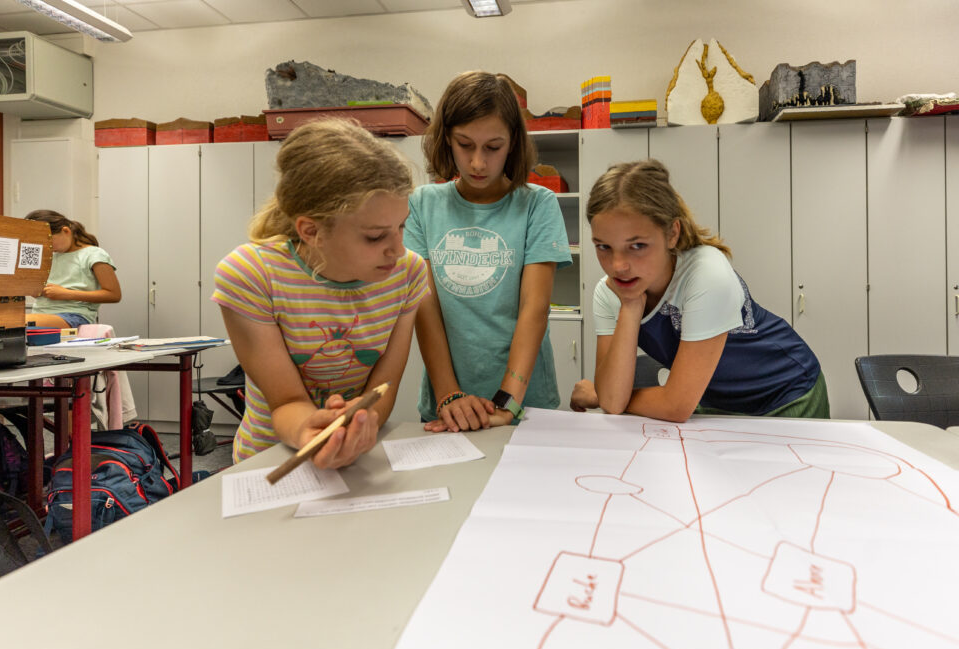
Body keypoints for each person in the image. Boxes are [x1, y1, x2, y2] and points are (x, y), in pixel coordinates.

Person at [212, 118, 429, 468]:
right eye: (375, 236)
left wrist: (362, 422)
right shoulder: (251, 274)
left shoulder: (407, 273)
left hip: (358, 460)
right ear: (311, 231)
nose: (398, 250)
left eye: (401, 226)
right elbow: (285, 402)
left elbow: (382, 389)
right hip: (269, 460)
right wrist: (312, 433)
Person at [570, 159, 829, 421]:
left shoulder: (706, 274)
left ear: (672, 234)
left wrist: (603, 396)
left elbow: (674, 406)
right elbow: (614, 400)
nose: (618, 266)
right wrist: (629, 306)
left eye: (637, 246)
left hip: (785, 394)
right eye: (603, 247)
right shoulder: (609, 293)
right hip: (713, 403)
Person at [404, 71, 573, 433]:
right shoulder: (422, 204)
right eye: (465, 145)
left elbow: (534, 308)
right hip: (446, 405)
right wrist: (448, 395)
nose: (478, 163)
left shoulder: (537, 204)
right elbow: (425, 308)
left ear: (513, 144)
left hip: (524, 403)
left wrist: (507, 401)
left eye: (493, 147)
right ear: (446, 139)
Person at [25, 210, 121, 329]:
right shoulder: (48, 255)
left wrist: (66, 294)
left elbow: (113, 295)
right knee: (10, 322)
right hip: (40, 314)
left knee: (17, 323)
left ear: (66, 231)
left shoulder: (94, 255)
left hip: (75, 315)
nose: (46, 247)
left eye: (49, 242)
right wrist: (36, 291)